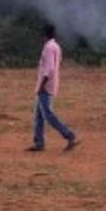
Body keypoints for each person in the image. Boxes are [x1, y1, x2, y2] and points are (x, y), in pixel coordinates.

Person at [26, 24, 79, 153]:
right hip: (51, 83)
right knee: (39, 115)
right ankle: (39, 142)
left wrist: (41, 85)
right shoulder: (56, 46)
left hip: (46, 85)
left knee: (48, 115)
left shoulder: (48, 48)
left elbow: (48, 69)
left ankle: (69, 135)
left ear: (44, 35)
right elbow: (57, 64)